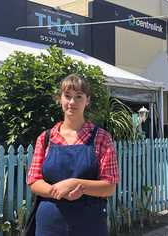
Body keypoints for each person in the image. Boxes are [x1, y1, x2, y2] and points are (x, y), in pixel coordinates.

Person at [27, 74, 119, 236]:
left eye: (78, 97)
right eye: (67, 96)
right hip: (49, 225)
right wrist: (58, 191)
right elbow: (34, 181)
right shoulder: (46, 138)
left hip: (89, 226)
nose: (72, 102)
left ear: (87, 100)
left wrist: (76, 184)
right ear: (60, 99)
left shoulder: (102, 138)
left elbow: (109, 186)